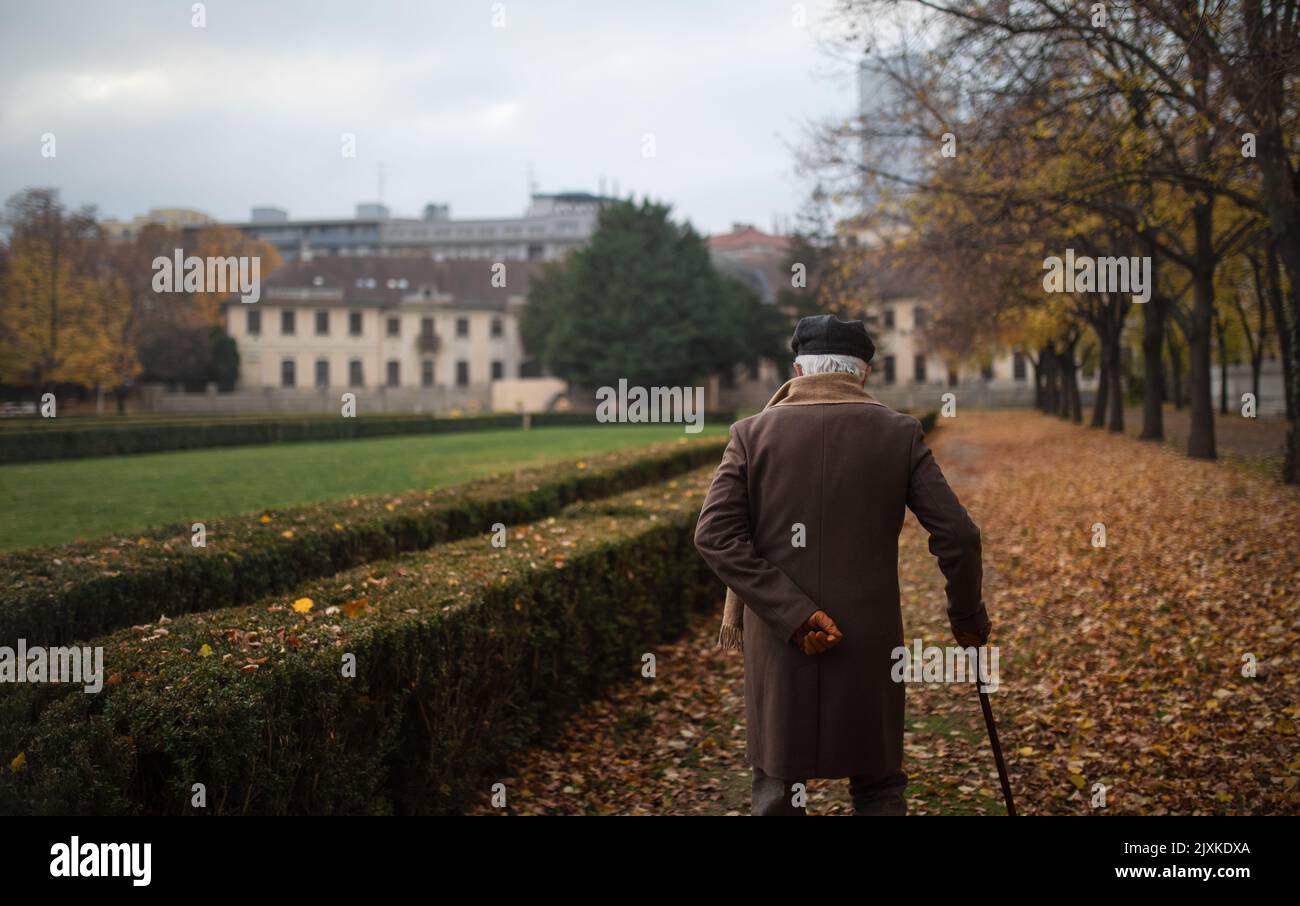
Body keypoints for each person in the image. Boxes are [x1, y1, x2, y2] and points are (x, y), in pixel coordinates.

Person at [694, 314, 989, 815]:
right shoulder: (899, 434)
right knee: (877, 786)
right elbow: (958, 535)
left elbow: (714, 535)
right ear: (865, 373)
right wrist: (966, 618)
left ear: (797, 369)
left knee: (779, 789)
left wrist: (793, 614)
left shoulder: (751, 434)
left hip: (779, 640)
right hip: (869, 643)